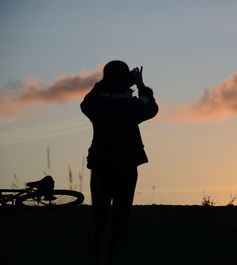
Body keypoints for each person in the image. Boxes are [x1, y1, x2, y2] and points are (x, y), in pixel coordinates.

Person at [81, 60, 158, 265]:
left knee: (99, 216)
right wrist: (140, 84)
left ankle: (94, 258)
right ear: (126, 80)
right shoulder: (131, 106)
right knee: (121, 217)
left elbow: (85, 103)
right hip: (126, 164)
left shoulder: (97, 104)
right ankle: (115, 257)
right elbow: (150, 107)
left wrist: (102, 84)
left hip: (101, 163)